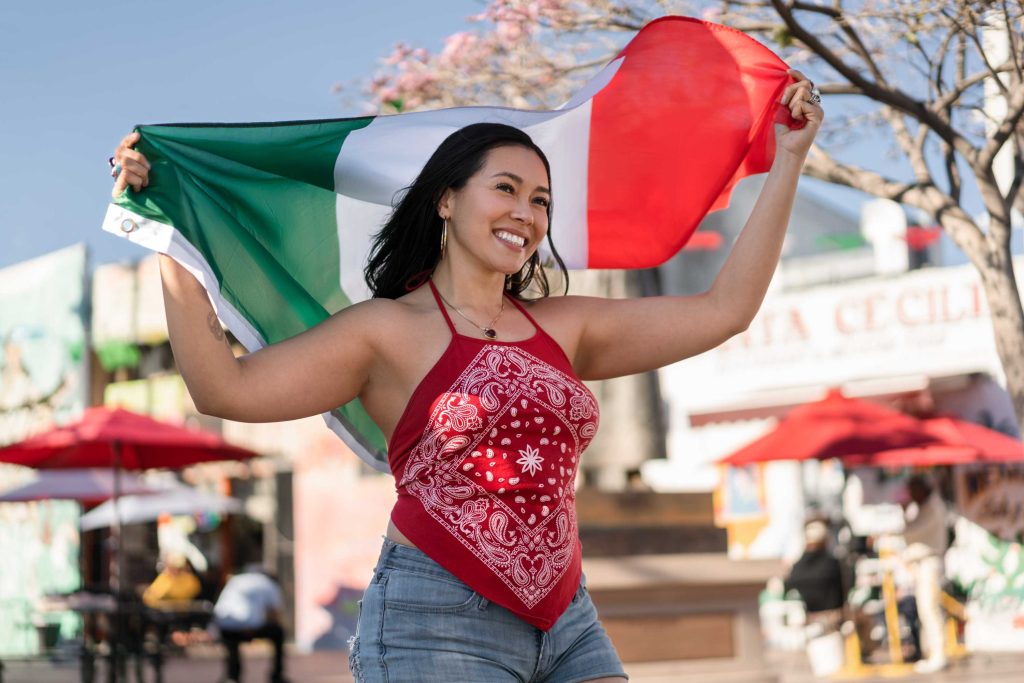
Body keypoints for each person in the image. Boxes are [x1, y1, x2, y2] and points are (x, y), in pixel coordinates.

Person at [111, 71, 822, 682]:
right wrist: (167, 237)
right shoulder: (384, 330)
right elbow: (224, 390)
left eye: (541, 199)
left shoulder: (566, 327)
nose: (526, 212)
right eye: (506, 188)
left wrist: (788, 159)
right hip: (434, 614)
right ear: (446, 200)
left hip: (566, 613)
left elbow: (725, 310)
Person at [901, 475, 949, 673]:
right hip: (923, 564)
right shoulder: (926, 507)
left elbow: (912, 531)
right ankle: (932, 651)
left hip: (930, 563)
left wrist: (904, 515)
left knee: (929, 607)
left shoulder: (933, 507)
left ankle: (939, 653)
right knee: (925, 608)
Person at [213, 564, 288, 683]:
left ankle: (232, 676)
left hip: (225, 624)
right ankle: (277, 675)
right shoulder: (268, 583)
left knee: (231, 644)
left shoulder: (236, 580)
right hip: (249, 625)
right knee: (279, 632)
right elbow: (275, 614)